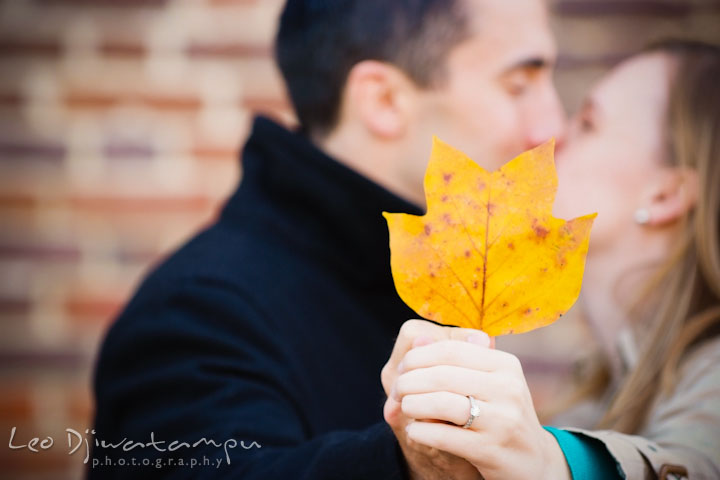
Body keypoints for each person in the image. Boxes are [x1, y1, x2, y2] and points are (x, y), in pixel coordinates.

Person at [89, 0, 565, 478]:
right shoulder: (196, 313)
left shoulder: (418, 275)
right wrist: (409, 465)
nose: (553, 126)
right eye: (519, 85)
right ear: (383, 100)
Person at [383, 40, 720, 479]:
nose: (550, 137)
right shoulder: (594, 390)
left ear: (665, 194)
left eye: (588, 122)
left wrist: (549, 463)